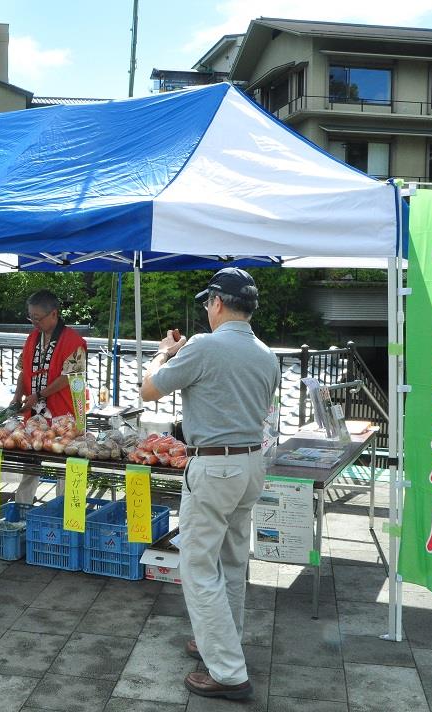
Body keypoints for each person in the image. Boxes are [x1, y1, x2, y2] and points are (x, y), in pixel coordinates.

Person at [141, 268, 279, 702]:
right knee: (233, 560)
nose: (206, 309)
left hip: (214, 467)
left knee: (197, 566)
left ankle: (227, 671)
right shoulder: (266, 354)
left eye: (207, 303)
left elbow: (149, 390)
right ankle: (221, 642)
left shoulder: (202, 347)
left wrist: (165, 353)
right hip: (251, 464)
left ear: (217, 302)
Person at [12, 290, 87, 504]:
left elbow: (70, 377)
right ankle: (22, 506)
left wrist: (39, 394)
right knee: (31, 461)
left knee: (66, 463)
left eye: (37, 318)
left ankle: (65, 510)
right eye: (31, 318)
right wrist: (18, 395)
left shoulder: (73, 341)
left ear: (54, 314)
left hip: (64, 414)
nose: (34, 323)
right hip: (34, 413)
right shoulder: (32, 337)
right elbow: (22, 370)